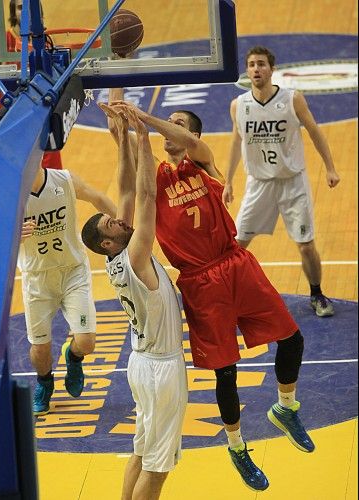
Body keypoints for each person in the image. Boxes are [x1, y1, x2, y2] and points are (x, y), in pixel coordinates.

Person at [109, 95, 315, 491]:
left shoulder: (203, 161)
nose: (171, 128)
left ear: (193, 134)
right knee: (226, 371)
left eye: (179, 123)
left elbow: (189, 142)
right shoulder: (156, 180)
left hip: (236, 264)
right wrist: (125, 131)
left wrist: (148, 119)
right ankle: (237, 447)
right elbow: (129, 186)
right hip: (200, 282)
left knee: (292, 338)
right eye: (169, 123)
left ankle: (286, 408)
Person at [81, 102, 188, 500]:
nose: (121, 220)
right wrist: (143, 134)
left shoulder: (117, 255)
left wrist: (122, 141)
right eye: (114, 224)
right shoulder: (136, 254)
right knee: (158, 469)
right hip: (160, 370)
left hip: (141, 365)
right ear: (108, 242)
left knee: (141, 453)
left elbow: (125, 190)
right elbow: (144, 194)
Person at [224, 45, 340, 317]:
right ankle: (230, 297)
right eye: (251, 64)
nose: (256, 69)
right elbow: (235, 140)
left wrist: (330, 167)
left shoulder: (292, 99)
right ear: (247, 70)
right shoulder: (238, 105)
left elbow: (314, 131)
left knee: (306, 244)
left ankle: (316, 293)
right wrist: (228, 181)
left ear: (272, 69)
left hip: (292, 182)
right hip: (259, 184)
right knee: (237, 243)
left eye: (261, 64)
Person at [19, 163, 116, 415]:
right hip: (37, 279)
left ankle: (73, 356)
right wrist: (12, 233)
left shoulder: (64, 180)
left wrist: (127, 233)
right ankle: (44, 383)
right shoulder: (11, 194)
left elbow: (98, 197)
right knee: (40, 347)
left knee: (87, 342)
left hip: (73, 271)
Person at [0, 0, 63, 169]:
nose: (26, 11)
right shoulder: (0, 45)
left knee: (51, 189)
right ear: (13, 13)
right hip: (7, 128)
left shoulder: (48, 42)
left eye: (29, 6)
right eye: (20, 7)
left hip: (42, 128)